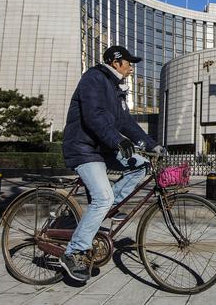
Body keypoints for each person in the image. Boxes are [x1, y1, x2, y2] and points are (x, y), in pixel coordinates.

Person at [59, 45, 161, 282]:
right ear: (115, 62)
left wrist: (150, 144)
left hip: (102, 148)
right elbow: (93, 116)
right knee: (102, 197)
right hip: (84, 149)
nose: (131, 69)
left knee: (142, 165)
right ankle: (73, 252)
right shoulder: (93, 79)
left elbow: (127, 123)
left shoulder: (116, 89)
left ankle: (106, 209)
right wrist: (117, 141)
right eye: (129, 63)